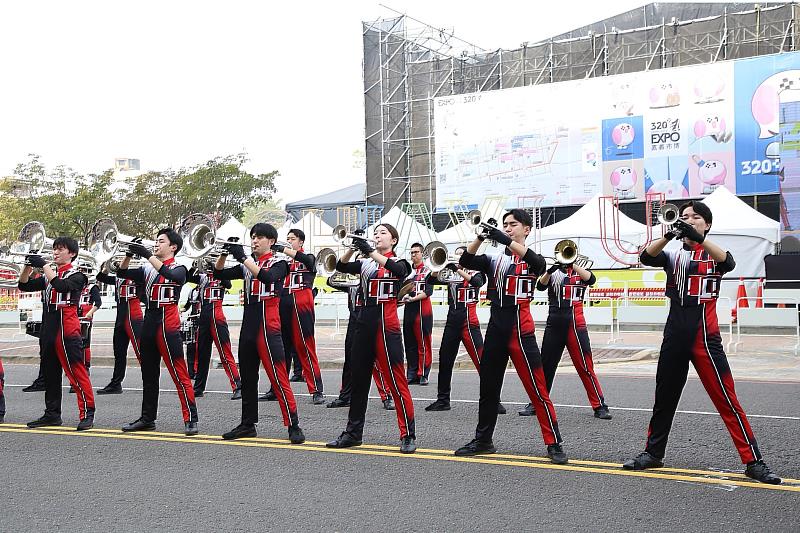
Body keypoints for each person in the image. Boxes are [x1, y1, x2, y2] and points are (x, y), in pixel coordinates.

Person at [623, 201, 781, 484]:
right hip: (674, 334)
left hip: (705, 337)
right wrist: (671, 233)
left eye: (696, 217)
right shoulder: (671, 254)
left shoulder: (713, 254)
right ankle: (653, 453)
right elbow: (646, 257)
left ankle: (753, 461)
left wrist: (700, 238)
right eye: (684, 217)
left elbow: (728, 263)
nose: (689, 220)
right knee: (664, 398)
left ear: (707, 224)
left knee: (727, 400)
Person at [454, 209, 567, 464]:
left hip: (521, 328)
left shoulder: (531, 258)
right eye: (505, 225)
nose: (507, 228)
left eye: (512, 224)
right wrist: (482, 236)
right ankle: (483, 440)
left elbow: (540, 266)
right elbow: (467, 262)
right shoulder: (494, 259)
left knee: (537, 389)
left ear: (526, 229)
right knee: (488, 388)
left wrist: (506, 240)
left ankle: (553, 442)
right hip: (496, 326)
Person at [326, 224, 417, 453]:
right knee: (359, 381)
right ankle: (353, 433)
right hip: (364, 322)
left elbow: (400, 272)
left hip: (387, 325)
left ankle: (407, 434)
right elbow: (341, 266)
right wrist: (353, 247)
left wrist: (370, 252)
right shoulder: (366, 264)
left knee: (396, 381)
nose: (377, 236)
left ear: (394, 240)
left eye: (383, 233)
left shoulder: (401, 262)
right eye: (375, 233)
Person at [214, 223, 305, 444]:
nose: (254, 241)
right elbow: (218, 273)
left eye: (260, 237)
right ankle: (247, 423)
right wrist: (225, 254)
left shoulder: (280, 262)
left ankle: (293, 423)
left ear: (271, 242)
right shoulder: (248, 264)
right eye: (253, 237)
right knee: (247, 376)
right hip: (249, 324)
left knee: (278, 374)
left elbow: (268, 278)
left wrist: (244, 258)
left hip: (269, 323)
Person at [117, 230, 199, 436]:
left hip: (168, 321)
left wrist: (147, 255)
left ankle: (190, 418)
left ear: (173, 247)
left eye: (161, 241)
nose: (156, 244)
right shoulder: (147, 268)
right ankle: (147, 418)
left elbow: (173, 277)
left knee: (179, 372)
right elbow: (121, 273)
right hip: (150, 320)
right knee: (149, 374)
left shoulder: (180, 266)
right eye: (156, 241)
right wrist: (129, 254)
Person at [18, 237, 95, 431]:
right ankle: (52, 414)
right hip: (49, 328)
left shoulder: (78, 276)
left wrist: (43, 265)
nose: (56, 252)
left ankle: (87, 413)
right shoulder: (47, 276)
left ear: (72, 254)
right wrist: (28, 265)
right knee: (50, 374)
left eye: (61, 249)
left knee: (76, 372)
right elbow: (24, 285)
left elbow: (62, 286)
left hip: (67, 328)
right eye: (54, 249)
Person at [426, 246, 506, 414]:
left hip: (469, 322)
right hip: (452, 320)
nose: (459, 259)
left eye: (462, 256)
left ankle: (494, 400)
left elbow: (477, 283)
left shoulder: (477, 272)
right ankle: (443, 400)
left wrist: (459, 269)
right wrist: (438, 267)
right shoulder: (450, 274)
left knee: (482, 362)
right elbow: (430, 281)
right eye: (457, 256)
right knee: (445, 360)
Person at [534, 259, 611, 420]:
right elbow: (540, 286)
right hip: (554, 322)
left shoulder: (580, 272)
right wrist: (550, 270)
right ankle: (537, 403)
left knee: (585, 366)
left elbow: (592, 279)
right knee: (546, 365)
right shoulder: (553, 274)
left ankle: (599, 405)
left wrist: (572, 264)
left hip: (575, 324)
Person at [325, 267, 394, 411]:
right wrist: (338, 270)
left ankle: (386, 396)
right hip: (353, 323)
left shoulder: (372, 281)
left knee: (375, 362)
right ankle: (345, 396)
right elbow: (330, 281)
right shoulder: (351, 284)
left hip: (368, 322)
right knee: (349, 361)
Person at [268, 229, 325, 404]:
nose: (288, 241)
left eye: (292, 239)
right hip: (282, 301)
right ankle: (276, 388)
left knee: (305, 345)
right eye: (287, 239)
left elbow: (308, 261)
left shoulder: (308, 256)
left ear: (300, 242)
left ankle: (316, 389)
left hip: (301, 300)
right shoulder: (280, 262)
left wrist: (283, 249)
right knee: (280, 347)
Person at [187, 263, 242, 400]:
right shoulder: (202, 278)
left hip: (217, 316)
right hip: (204, 316)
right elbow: (188, 277)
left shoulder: (221, 276)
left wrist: (216, 267)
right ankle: (198, 388)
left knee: (225, 353)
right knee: (202, 354)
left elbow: (228, 284)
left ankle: (238, 386)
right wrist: (195, 265)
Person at [95, 263, 144, 394]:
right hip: (121, 317)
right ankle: (116, 383)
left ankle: (150, 380)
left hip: (134, 316)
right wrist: (106, 266)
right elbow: (101, 278)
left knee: (141, 351)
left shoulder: (138, 276)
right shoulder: (118, 278)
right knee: (119, 352)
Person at [402, 242, 433, 385]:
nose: (413, 255)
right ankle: (411, 373)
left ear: (422, 254)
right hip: (409, 309)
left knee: (423, 343)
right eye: (412, 252)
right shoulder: (407, 271)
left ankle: (423, 374)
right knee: (409, 343)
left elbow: (428, 292)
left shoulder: (428, 270)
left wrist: (412, 298)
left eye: (416, 252)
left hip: (422, 310)